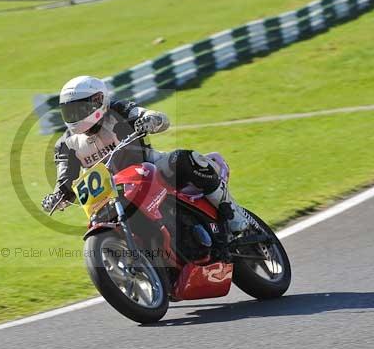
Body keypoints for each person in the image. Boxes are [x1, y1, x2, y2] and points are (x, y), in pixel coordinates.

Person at [41, 75, 252, 234]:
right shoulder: (66, 144)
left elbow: (153, 117)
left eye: (79, 109)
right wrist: (58, 195)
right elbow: (65, 177)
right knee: (95, 223)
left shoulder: (118, 111)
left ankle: (232, 214)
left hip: (149, 169)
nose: (74, 116)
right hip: (109, 194)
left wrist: (150, 120)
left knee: (185, 159)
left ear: (98, 100)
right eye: (69, 111)